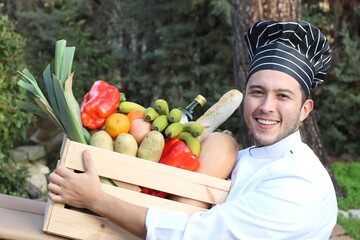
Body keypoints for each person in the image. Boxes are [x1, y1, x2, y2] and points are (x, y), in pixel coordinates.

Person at [48, 20, 338, 239]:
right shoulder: (245, 156)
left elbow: (197, 234)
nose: (266, 106)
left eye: (283, 96)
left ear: (305, 110)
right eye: (257, 91)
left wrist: (97, 199)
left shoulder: (300, 183)